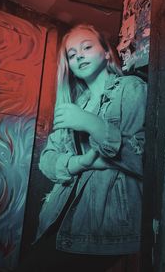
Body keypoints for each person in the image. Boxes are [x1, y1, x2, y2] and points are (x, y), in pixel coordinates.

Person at [16, 24, 147, 272]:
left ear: (107, 53)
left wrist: (91, 123)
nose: (79, 56)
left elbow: (144, 160)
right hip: (57, 219)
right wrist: (81, 163)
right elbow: (47, 159)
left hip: (103, 225)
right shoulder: (76, 105)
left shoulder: (131, 88)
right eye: (72, 54)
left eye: (87, 47)